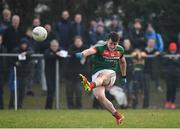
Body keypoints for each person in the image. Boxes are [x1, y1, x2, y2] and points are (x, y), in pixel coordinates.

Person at [76, 32, 127, 125]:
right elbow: (90, 51)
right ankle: (117, 115)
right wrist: (82, 54)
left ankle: (90, 85)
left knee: (103, 75)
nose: (112, 46)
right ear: (107, 41)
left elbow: (123, 62)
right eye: (111, 43)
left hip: (110, 74)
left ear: (118, 43)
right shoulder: (100, 47)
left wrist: (124, 76)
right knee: (100, 97)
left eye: (115, 44)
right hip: (96, 74)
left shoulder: (120, 50)